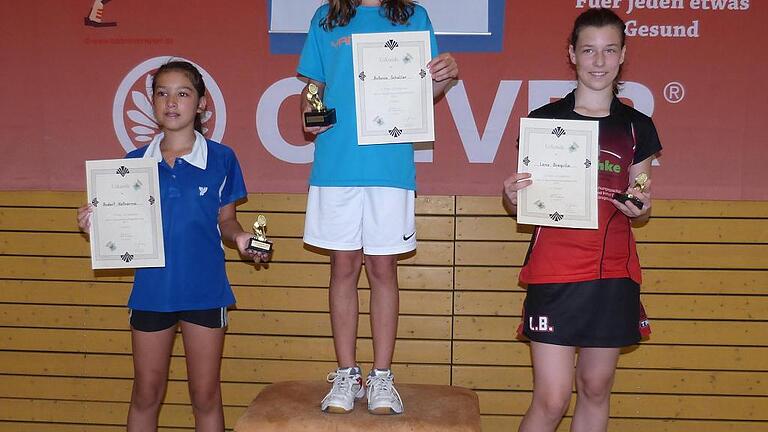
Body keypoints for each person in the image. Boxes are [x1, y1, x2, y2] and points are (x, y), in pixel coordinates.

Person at [77, 61, 269, 431]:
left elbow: (226, 221)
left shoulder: (223, 158)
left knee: (206, 396)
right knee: (146, 393)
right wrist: (94, 226)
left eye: (183, 93)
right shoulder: (132, 164)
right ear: (152, 102)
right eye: (162, 92)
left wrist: (242, 238)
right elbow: (120, 226)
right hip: (152, 292)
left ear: (200, 104)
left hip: (205, 290)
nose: (171, 101)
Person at [502, 8, 661, 432]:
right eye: (588, 50)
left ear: (623, 55)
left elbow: (641, 190)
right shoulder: (543, 121)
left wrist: (640, 205)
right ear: (572, 54)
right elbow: (526, 201)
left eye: (610, 50)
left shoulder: (637, 127)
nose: (599, 60)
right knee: (552, 398)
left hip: (613, 273)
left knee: (595, 387)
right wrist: (513, 196)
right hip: (554, 273)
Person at [297, 0, 458, 415]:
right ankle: (347, 373)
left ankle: (381, 376)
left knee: (383, 268)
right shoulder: (327, 16)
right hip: (336, 166)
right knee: (344, 267)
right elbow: (312, 86)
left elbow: (424, 91)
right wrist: (310, 109)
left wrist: (443, 78)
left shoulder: (413, 16)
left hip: (389, 167)